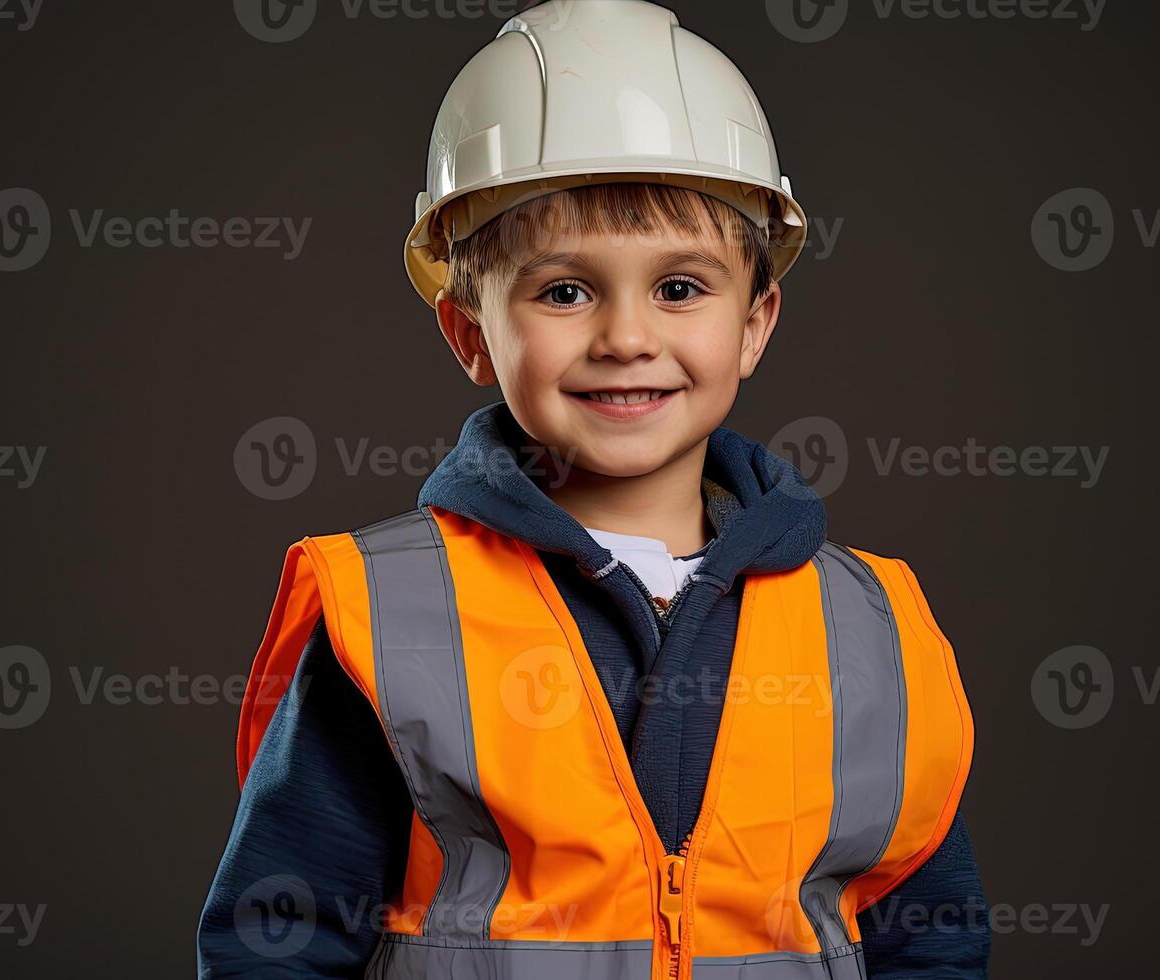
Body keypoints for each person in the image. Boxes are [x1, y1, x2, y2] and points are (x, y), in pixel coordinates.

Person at [197, 1, 988, 976]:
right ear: (471, 333)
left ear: (755, 320)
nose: (624, 336)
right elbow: (280, 934)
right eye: (564, 290)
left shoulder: (871, 623)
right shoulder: (388, 613)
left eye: (681, 287)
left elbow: (931, 939)